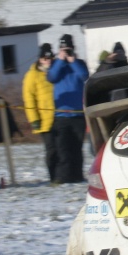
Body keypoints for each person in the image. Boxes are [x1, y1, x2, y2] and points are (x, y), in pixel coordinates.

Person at [47, 33, 90, 183]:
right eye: (63, 49)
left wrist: (73, 61)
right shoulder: (56, 64)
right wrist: (60, 60)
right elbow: (51, 77)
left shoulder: (79, 63)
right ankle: (62, 177)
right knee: (62, 148)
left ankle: (77, 176)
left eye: (68, 49)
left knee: (77, 148)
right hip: (61, 116)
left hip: (78, 115)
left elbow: (85, 76)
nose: (66, 51)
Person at [22, 43, 58, 183]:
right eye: (44, 58)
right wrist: (34, 120)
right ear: (39, 59)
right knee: (51, 150)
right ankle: (53, 176)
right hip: (45, 120)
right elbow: (29, 99)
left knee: (63, 148)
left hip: (60, 116)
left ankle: (63, 175)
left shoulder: (57, 71)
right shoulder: (32, 75)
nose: (47, 61)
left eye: (50, 58)